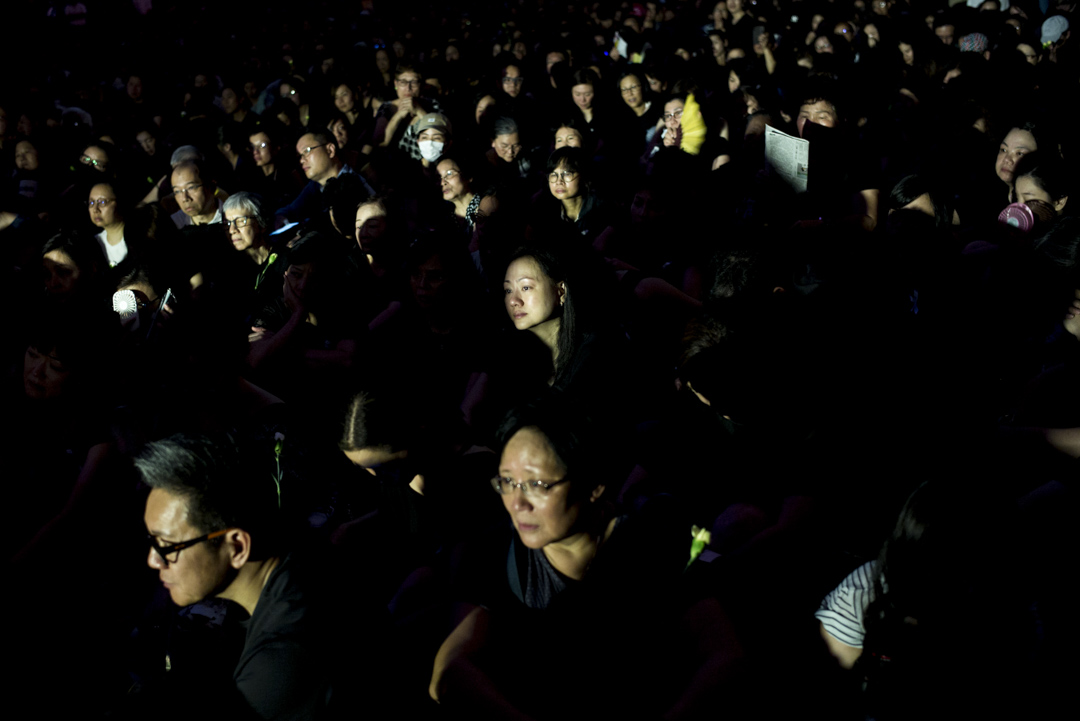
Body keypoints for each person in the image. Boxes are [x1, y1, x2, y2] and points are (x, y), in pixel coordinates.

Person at [429, 396, 741, 718]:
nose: (517, 503)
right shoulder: (495, 556)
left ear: (594, 484)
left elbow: (723, 655)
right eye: (507, 482)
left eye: (537, 485)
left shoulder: (651, 546)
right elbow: (451, 670)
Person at [138, 433, 331, 719]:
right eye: (151, 542)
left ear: (237, 546)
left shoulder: (282, 661)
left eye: (167, 545)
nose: (153, 560)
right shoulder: (305, 563)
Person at [275, 131, 373, 225]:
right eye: (300, 155)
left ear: (330, 150)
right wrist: (281, 216)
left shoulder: (355, 184)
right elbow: (291, 210)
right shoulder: (315, 186)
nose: (301, 160)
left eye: (307, 151)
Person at [169, 159, 223, 229]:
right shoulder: (174, 224)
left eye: (191, 188)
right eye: (177, 191)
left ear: (211, 187)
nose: (185, 198)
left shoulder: (233, 216)